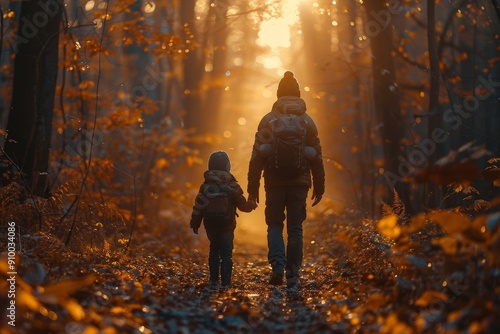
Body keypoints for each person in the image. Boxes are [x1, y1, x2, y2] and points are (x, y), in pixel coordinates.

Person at [247, 71, 325, 289]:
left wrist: (252, 190)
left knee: (274, 224)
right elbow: (317, 156)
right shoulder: (307, 121)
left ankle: (278, 267)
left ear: (279, 94)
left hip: (274, 182)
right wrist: (319, 186)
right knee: (295, 229)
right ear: (298, 95)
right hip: (300, 183)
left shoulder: (269, 120)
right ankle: (293, 273)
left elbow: (256, 157)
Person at [190, 150, 257, 288]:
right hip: (227, 225)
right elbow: (243, 206)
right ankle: (226, 282)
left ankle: (213, 281)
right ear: (228, 166)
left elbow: (198, 207)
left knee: (214, 250)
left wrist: (195, 223)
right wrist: (252, 203)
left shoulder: (205, 187)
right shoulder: (232, 186)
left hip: (211, 225)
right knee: (226, 252)